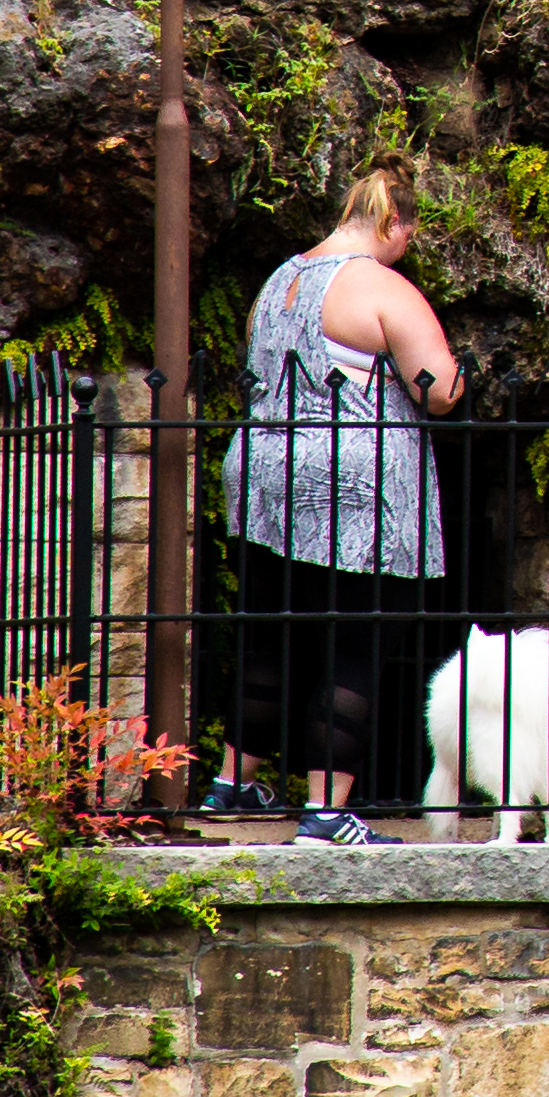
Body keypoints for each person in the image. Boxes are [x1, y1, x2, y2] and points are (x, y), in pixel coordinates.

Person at [211, 164, 467, 846]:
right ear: (392, 224)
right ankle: (327, 811)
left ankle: (232, 783)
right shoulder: (380, 284)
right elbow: (438, 388)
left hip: (264, 467)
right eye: (408, 236)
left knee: (268, 633)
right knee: (356, 640)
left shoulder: (280, 279)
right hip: (353, 480)